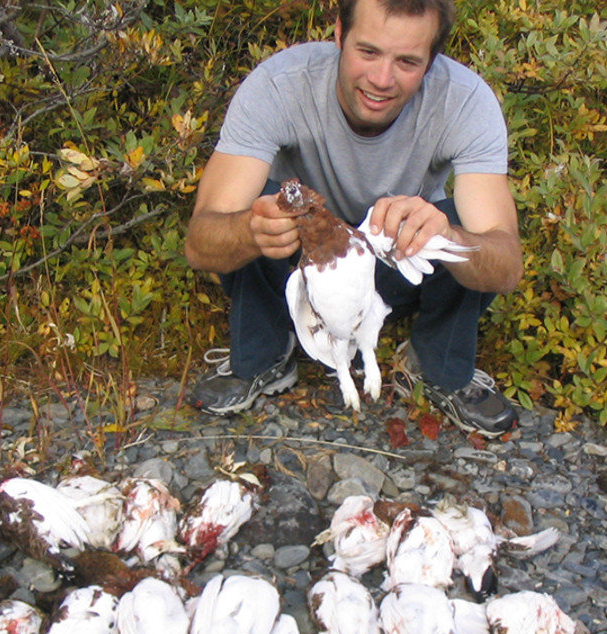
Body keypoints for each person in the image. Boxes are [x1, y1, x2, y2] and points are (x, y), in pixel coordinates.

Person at [183, 0, 522, 436]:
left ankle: (437, 365)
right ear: (339, 34)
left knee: (460, 229)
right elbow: (201, 242)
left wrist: (447, 236)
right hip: (301, 264)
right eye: (368, 51)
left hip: (397, 262)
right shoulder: (279, 86)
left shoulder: (465, 102)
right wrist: (251, 231)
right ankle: (264, 353)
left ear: (433, 59)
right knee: (259, 205)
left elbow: (505, 263)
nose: (381, 79)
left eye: (407, 62)